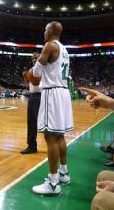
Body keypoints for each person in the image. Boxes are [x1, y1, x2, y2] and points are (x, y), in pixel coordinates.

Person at [32, 21, 73, 196]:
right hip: (63, 92)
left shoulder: (49, 46)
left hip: (52, 93)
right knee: (60, 136)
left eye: (45, 29)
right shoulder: (64, 49)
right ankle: (64, 173)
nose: (43, 32)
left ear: (51, 31)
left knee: (50, 137)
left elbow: (35, 74)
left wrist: (34, 66)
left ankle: (53, 183)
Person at [20, 53, 41, 154]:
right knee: (31, 122)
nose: (33, 59)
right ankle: (32, 146)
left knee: (42, 122)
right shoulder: (32, 69)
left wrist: (29, 75)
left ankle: (54, 143)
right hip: (32, 96)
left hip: (40, 96)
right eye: (32, 57)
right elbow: (28, 82)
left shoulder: (42, 68)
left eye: (35, 57)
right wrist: (25, 76)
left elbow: (36, 82)